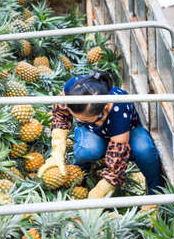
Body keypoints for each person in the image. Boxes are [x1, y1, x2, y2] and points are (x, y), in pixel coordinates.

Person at [38, 69, 162, 198]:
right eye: (77, 118)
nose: (79, 120)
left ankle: (156, 191)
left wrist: (105, 186)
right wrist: (57, 149)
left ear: (105, 108)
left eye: (85, 119)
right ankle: (82, 172)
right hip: (95, 133)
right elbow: (61, 112)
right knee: (86, 150)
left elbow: (118, 152)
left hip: (127, 133)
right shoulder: (74, 87)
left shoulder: (119, 109)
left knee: (145, 151)